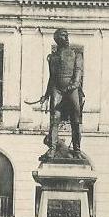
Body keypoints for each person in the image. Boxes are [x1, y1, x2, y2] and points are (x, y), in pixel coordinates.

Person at [40, 29, 84, 159]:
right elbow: (51, 77)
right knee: (54, 120)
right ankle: (52, 150)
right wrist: (46, 95)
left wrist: (72, 86)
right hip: (57, 89)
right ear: (57, 39)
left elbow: (78, 73)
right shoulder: (52, 57)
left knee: (75, 121)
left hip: (72, 89)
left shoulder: (77, 54)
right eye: (63, 36)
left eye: (67, 35)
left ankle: (77, 151)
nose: (66, 38)